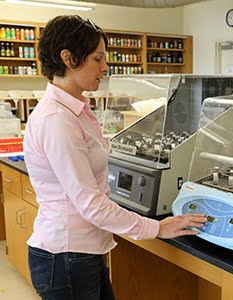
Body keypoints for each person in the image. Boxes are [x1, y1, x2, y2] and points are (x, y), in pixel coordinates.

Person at [23, 15, 206, 300]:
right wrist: (157, 227)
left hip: (83, 250)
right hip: (66, 256)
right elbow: (90, 204)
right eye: (97, 59)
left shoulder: (76, 109)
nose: (105, 67)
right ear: (69, 58)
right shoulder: (57, 120)